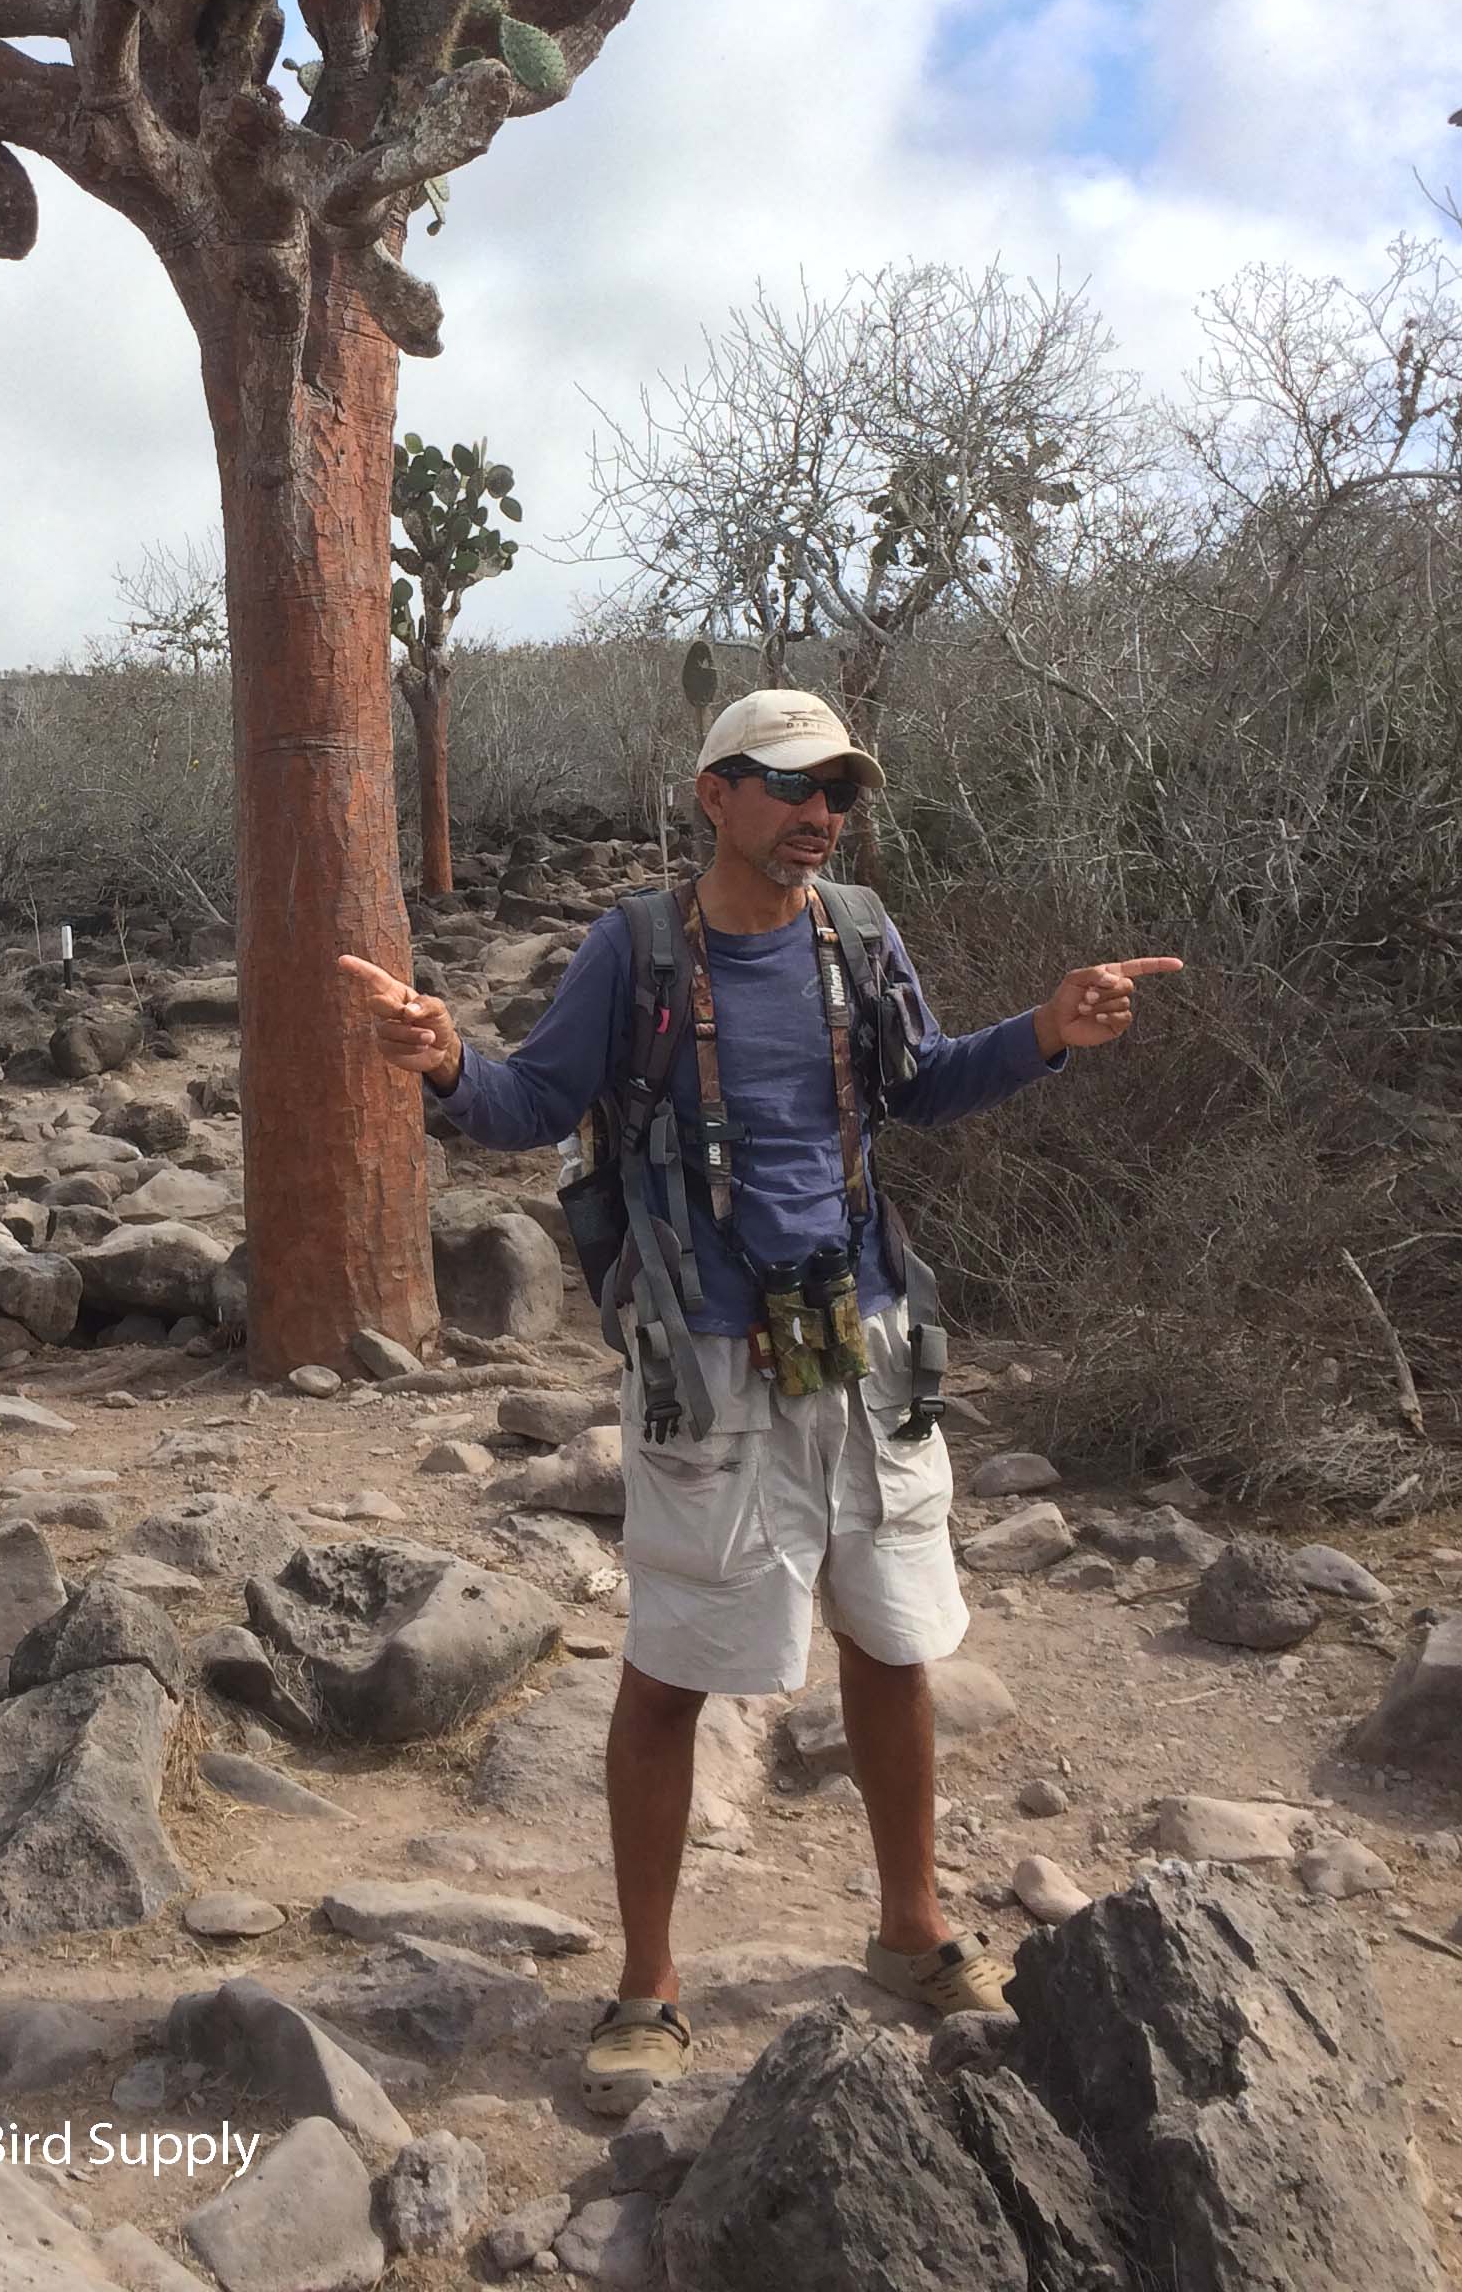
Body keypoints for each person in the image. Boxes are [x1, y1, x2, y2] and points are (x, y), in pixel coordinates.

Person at [340, 688, 1179, 2117]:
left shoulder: (859, 933)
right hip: (706, 1361)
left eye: (838, 792)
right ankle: (648, 1983)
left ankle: (912, 1930)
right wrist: (445, 1063)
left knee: (893, 1641)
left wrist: (1044, 1031)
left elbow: (921, 1088)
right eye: (792, 786)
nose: (820, 815)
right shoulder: (636, 950)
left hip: (868, 1334)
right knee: (673, 1668)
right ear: (713, 793)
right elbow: (533, 1103)